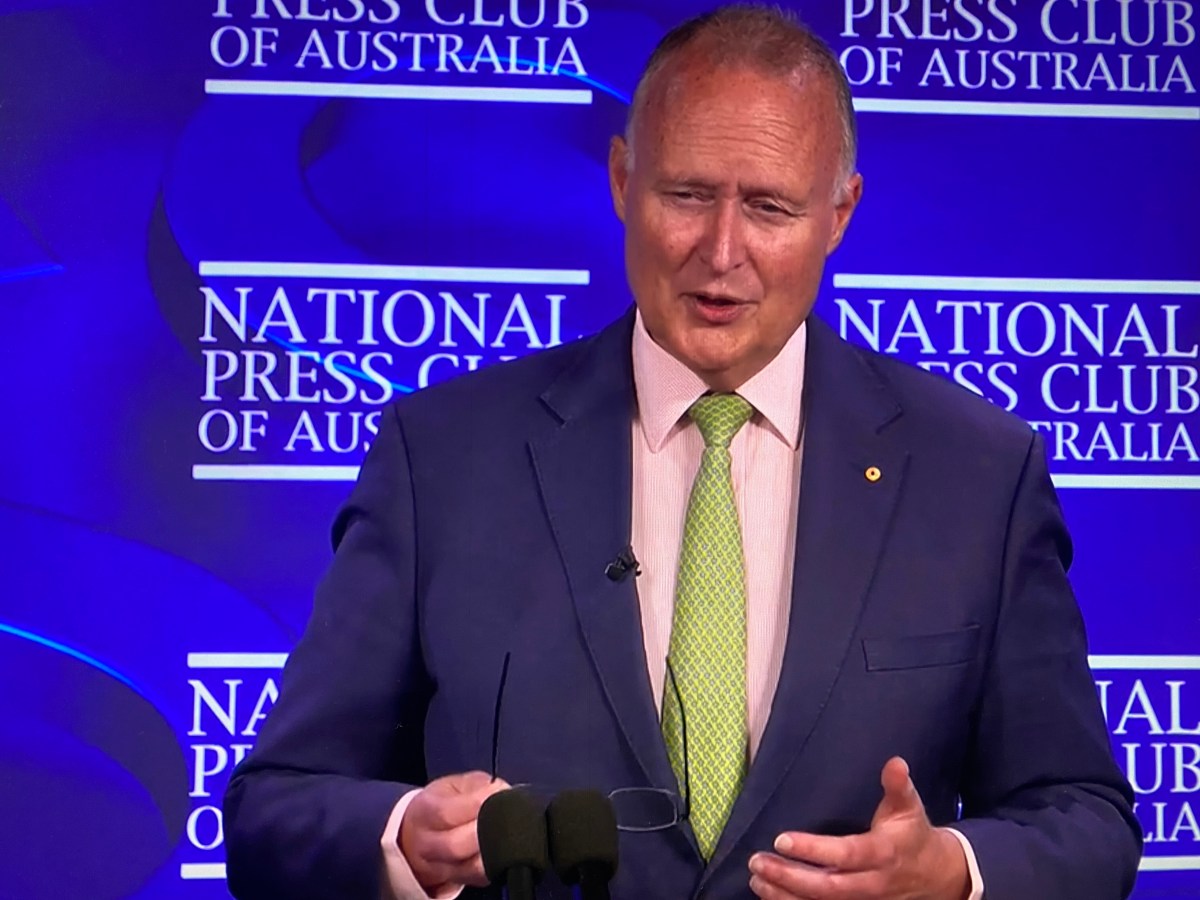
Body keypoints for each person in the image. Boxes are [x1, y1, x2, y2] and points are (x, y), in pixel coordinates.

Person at [222, 5, 1141, 899]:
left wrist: (954, 873)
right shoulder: (442, 459)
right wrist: (405, 841)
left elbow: (1086, 822)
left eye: (771, 207)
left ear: (841, 213)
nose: (722, 251)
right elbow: (276, 812)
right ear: (623, 181)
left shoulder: (977, 473)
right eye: (688, 195)